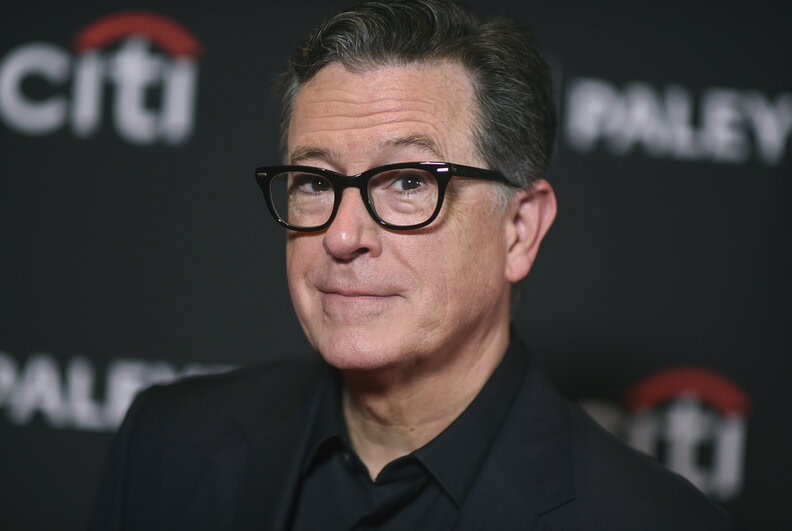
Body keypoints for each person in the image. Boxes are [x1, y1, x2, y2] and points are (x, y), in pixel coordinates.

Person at [89, 1, 737, 529]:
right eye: (313, 181)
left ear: (520, 228)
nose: (343, 235)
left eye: (406, 182)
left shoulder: (646, 520)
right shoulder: (167, 444)